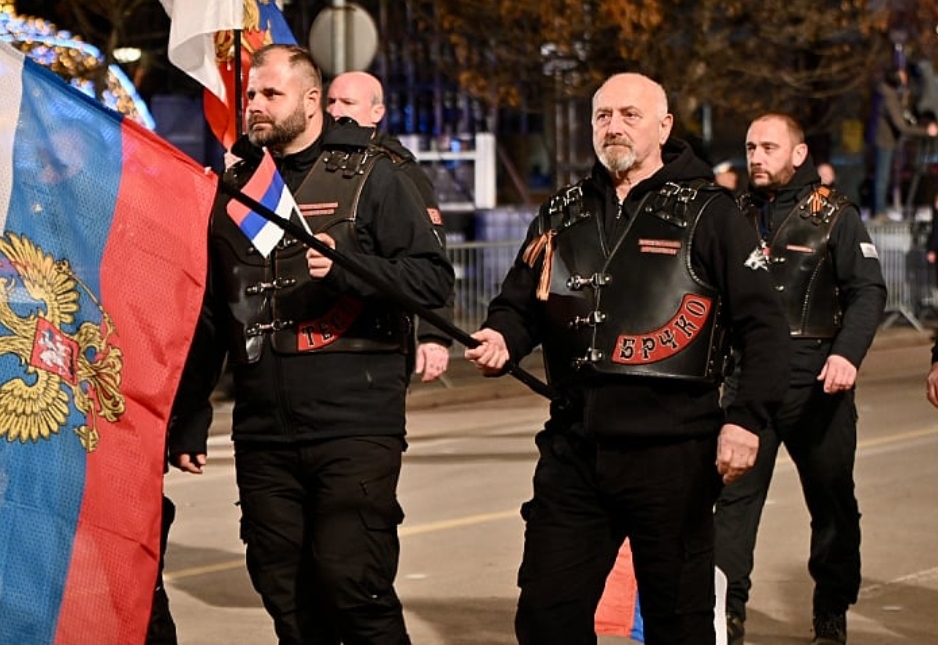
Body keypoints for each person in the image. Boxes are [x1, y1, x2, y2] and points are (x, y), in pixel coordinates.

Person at [464, 72, 790, 645]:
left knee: (679, 623)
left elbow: (764, 328)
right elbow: (519, 304)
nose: (613, 126)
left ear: (664, 127)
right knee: (545, 615)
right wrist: (500, 338)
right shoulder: (560, 213)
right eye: (602, 115)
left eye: (629, 115)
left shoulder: (713, 214)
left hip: (675, 455)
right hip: (574, 450)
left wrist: (746, 419)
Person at [167, 44, 453, 645]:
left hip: (354, 421)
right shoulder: (237, 187)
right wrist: (189, 415)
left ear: (312, 100)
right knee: (284, 592)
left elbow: (432, 282)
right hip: (262, 428)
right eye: (251, 95)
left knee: (353, 584)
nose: (255, 105)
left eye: (271, 94)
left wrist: (352, 267)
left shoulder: (376, 172)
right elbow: (214, 313)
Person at [714, 113, 887, 645]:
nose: (756, 157)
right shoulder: (733, 215)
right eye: (750, 147)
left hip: (817, 378)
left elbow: (868, 291)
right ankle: (726, 616)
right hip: (747, 379)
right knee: (732, 504)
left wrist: (847, 355)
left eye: (769, 147)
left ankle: (831, 613)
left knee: (832, 503)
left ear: (798, 153)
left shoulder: (835, 215)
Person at [325, 70, 453, 383]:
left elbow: (431, 255)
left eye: (348, 102)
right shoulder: (319, 161)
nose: (336, 111)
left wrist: (435, 334)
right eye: (330, 101)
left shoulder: (397, 170)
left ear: (377, 112)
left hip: (378, 337)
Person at [871, 67, 938, 218]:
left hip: (886, 140)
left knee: (883, 177)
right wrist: (925, 131)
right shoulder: (889, 97)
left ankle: (880, 210)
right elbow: (901, 126)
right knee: (882, 178)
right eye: (902, 77)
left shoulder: (890, 94)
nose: (905, 80)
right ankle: (879, 212)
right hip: (884, 141)